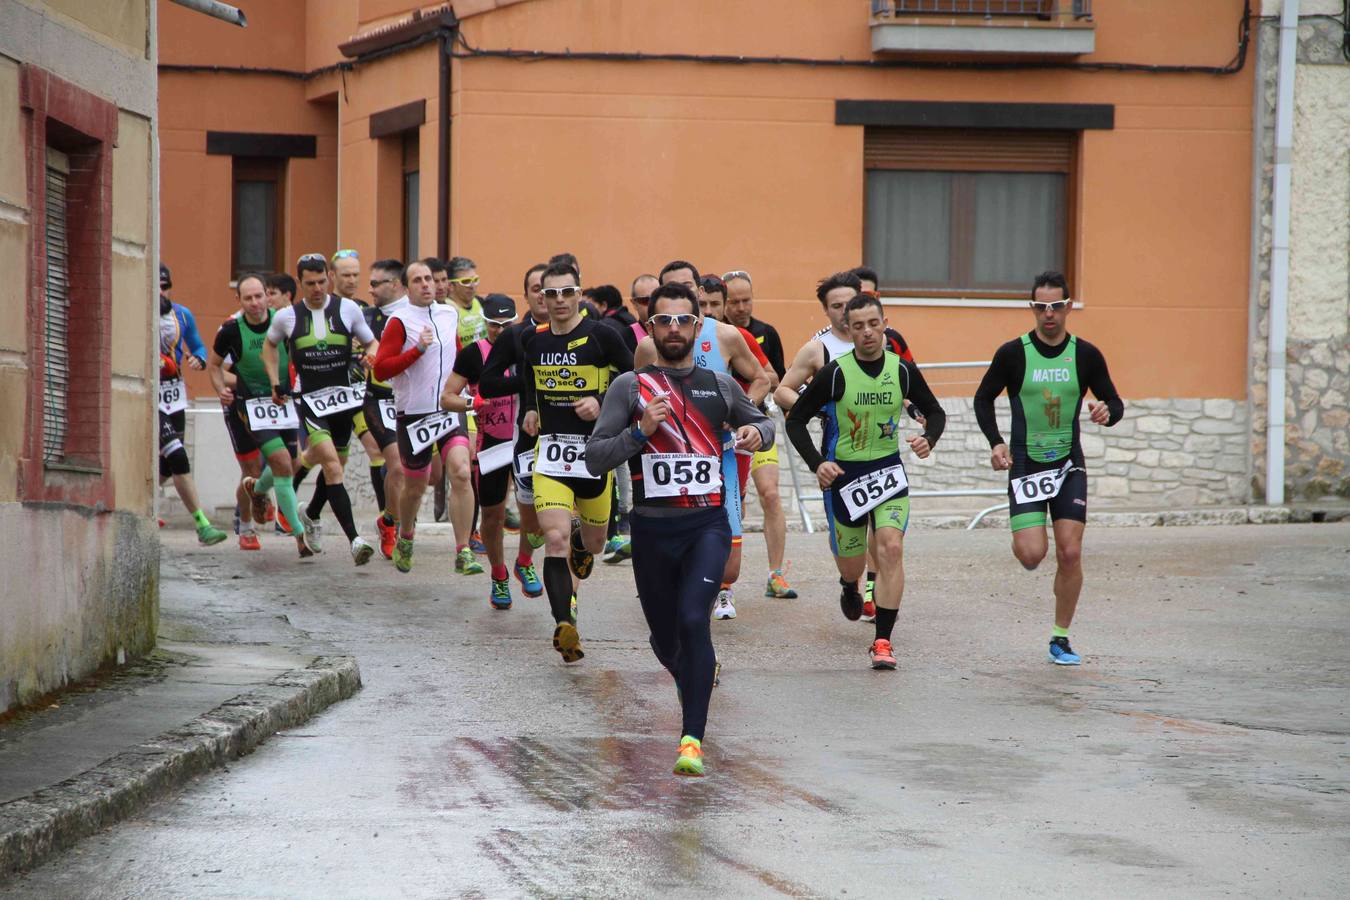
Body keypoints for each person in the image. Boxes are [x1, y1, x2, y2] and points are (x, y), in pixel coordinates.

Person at [586, 281, 773, 776]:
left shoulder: (719, 384)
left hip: (707, 524)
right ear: (650, 329)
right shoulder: (630, 388)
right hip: (652, 530)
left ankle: (691, 738)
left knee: (695, 620)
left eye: (682, 320)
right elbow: (595, 457)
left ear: (697, 326)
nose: (673, 328)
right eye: (663, 320)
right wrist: (639, 431)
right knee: (664, 639)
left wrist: (756, 430)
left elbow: (764, 423)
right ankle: (695, 673)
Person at [480, 260, 633, 663]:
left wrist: (601, 403)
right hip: (550, 454)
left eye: (567, 292)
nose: (560, 300)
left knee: (594, 545)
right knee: (554, 539)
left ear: (579, 293)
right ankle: (564, 624)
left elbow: (636, 380)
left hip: (594, 456)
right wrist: (530, 407)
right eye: (551, 294)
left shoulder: (604, 336)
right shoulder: (533, 340)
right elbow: (530, 375)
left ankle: (585, 541)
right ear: (541, 298)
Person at [972, 271, 1125, 666]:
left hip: (1068, 462)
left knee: (1070, 552)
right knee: (1031, 555)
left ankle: (1061, 637)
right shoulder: (1013, 353)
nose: (1049, 314)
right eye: (1041, 307)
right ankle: (1024, 534)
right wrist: (996, 442)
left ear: (1068, 307)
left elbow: (1115, 403)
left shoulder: (1086, 354)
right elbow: (982, 398)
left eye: (1056, 306)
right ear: (1032, 309)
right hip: (1025, 463)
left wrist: (1106, 412)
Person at [787, 294, 946, 669]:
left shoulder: (901, 370)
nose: (867, 332)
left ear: (884, 323)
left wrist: (929, 438)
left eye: (873, 324)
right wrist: (817, 464)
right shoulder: (836, 372)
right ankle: (848, 584)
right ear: (849, 329)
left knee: (890, 547)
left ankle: (883, 641)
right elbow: (795, 419)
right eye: (858, 326)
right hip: (846, 476)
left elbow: (936, 411)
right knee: (852, 564)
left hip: (889, 473)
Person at [636, 261, 770, 621]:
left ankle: (704, 599)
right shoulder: (650, 346)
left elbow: (761, 379)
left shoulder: (726, 335)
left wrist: (742, 413)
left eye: (686, 289)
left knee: (729, 568)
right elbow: (636, 395)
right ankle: (692, 628)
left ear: (696, 293)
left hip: (718, 456)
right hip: (667, 460)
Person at [263, 253, 378, 565]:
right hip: (310, 400)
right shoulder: (287, 317)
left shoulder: (348, 309)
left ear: (329, 278)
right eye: (310, 283)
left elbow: (372, 343)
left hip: (343, 400)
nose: (316, 288)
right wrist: (275, 381)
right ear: (299, 284)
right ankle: (355, 540)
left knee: (328, 463)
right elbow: (269, 346)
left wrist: (370, 356)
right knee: (333, 466)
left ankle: (309, 512)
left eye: (321, 282)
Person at [367, 260, 470, 572]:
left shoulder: (448, 313)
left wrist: (472, 385)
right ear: (405, 287)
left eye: (429, 279)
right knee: (416, 485)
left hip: (450, 408)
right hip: (414, 414)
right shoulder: (399, 321)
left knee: (462, 472)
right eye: (418, 281)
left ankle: (463, 549)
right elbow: (382, 370)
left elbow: (459, 355)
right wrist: (417, 352)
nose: (427, 285)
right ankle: (407, 535)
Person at [207, 274, 310, 554]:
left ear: (267, 295)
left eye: (258, 296)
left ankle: (258, 489)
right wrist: (222, 389)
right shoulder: (230, 330)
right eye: (248, 298)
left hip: (282, 402)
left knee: (292, 462)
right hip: (247, 405)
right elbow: (214, 366)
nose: (254, 303)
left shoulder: (285, 320)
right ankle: (248, 526)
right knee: (256, 468)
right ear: (238, 300)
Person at [441, 294, 525, 607]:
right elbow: (447, 397)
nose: (500, 331)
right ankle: (499, 576)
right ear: (484, 323)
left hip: (526, 441)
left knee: (535, 513)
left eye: (506, 325)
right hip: (492, 444)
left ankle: (525, 561)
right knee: (493, 516)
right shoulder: (474, 354)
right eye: (493, 324)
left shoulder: (527, 347)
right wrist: (472, 403)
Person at [722, 269, 796, 599]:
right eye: (734, 301)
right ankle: (723, 576)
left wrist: (751, 379)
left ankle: (776, 575)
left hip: (757, 425)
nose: (741, 307)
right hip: (722, 434)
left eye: (746, 300)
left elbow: (776, 377)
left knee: (770, 493)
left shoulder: (765, 332)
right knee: (732, 502)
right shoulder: (714, 335)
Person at [157, 262, 228, 545]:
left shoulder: (181, 315)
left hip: (175, 399)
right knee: (178, 457)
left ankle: (134, 505)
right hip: (152, 398)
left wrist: (197, 359)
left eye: (165, 287)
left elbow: (197, 346)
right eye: (156, 287)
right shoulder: (137, 313)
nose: (161, 293)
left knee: (164, 467)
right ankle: (202, 524)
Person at [363, 259, 411, 559]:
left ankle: (389, 517)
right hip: (379, 399)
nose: (370, 290)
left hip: (413, 400)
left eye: (376, 284)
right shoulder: (367, 318)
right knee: (396, 464)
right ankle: (393, 526)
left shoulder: (416, 314)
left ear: (395, 284)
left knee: (430, 475)